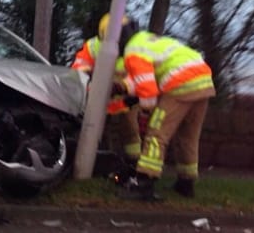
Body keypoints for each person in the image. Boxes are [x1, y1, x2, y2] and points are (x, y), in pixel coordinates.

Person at [119, 19, 215, 201]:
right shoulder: (148, 40)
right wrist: (128, 92)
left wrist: (146, 111)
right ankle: (186, 184)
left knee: (156, 134)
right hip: (203, 81)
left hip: (180, 84)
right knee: (188, 136)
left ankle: (144, 182)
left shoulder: (133, 50)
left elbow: (147, 90)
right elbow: (147, 78)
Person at [71, 13, 142, 182]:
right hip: (99, 99)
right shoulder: (94, 46)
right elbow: (79, 67)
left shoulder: (136, 49)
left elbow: (141, 76)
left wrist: (127, 92)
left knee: (130, 132)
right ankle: (101, 166)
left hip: (125, 99)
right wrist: (90, 74)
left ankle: (133, 166)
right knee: (97, 133)